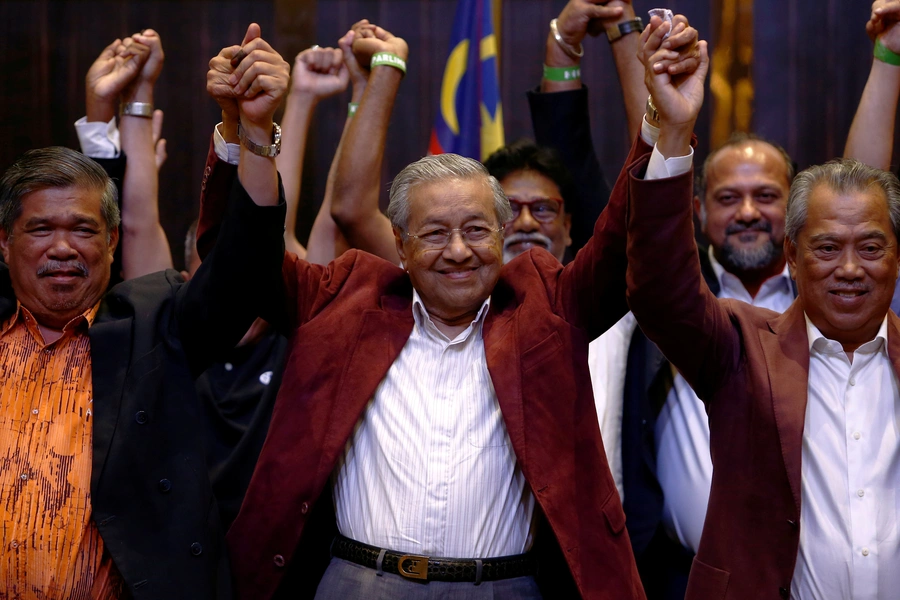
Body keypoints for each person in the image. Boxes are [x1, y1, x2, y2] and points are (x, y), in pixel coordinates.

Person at [0, 23, 287, 598]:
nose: (62, 247)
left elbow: (244, 269)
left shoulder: (153, 327)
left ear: (111, 243)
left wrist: (252, 133)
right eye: (40, 230)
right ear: (4, 244)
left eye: (83, 229)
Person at [628, 13, 900, 600]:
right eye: (827, 249)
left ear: (897, 259)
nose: (850, 268)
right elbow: (661, 290)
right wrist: (672, 132)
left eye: (871, 248)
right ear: (794, 257)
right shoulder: (742, 346)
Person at [620, 130, 795, 599]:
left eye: (766, 196)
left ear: (796, 207)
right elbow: (654, 235)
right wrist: (670, 126)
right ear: (696, 209)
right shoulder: (676, 299)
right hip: (681, 579)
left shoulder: (828, 301)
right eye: (727, 198)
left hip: (810, 579)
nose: (747, 213)